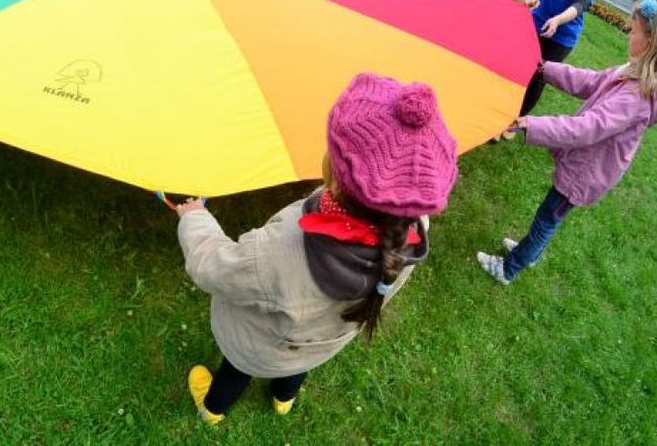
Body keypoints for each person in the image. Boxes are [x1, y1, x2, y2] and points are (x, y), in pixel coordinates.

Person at [176, 73, 457, 424]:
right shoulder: (411, 236)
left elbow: (211, 266)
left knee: (234, 373)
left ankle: (212, 408)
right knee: (294, 368)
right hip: (315, 348)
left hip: (257, 348)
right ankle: (284, 398)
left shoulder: (278, 254)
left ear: (337, 173)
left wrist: (194, 216)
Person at [477, 0, 657, 285]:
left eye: (634, 32)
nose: (628, 35)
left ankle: (510, 268)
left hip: (588, 171)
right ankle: (529, 251)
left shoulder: (635, 96)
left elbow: (586, 128)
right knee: (550, 216)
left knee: (548, 218)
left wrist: (531, 124)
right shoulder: (631, 72)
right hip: (587, 162)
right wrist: (546, 69)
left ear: (651, 42)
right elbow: (589, 81)